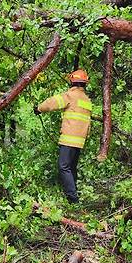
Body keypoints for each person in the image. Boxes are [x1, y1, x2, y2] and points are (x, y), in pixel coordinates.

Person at [34, 69, 92, 203]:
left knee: (63, 167)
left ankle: (73, 199)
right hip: (80, 141)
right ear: (85, 83)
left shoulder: (70, 96)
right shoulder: (86, 100)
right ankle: (74, 194)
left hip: (69, 140)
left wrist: (38, 108)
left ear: (72, 81)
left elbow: (51, 103)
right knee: (71, 168)